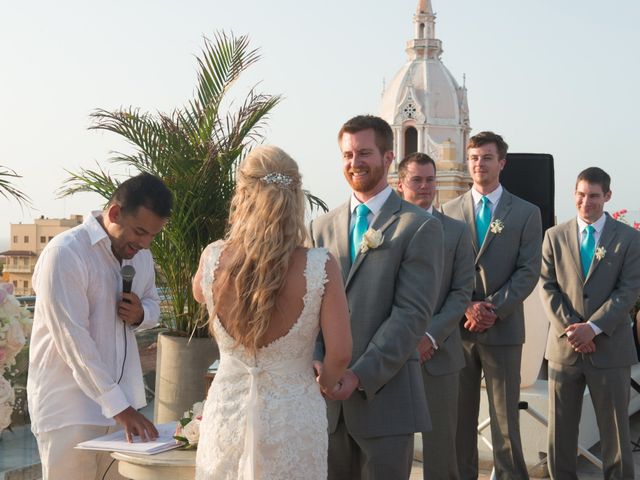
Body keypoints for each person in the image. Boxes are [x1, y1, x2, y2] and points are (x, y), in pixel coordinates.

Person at [193, 145, 352, 480]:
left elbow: (198, 294)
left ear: (242, 196)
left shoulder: (212, 259)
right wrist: (325, 382)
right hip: (293, 413)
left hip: (227, 412)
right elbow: (340, 352)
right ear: (296, 200)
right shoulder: (319, 265)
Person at [310, 115, 444, 479]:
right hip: (326, 408)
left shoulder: (419, 226)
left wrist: (358, 375)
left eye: (365, 153)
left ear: (388, 158)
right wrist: (319, 362)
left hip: (385, 400)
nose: (355, 163)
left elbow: (411, 316)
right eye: (348, 155)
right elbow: (309, 307)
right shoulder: (320, 227)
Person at [27, 173, 172, 480]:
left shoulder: (141, 256)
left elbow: (153, 305)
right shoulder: (65, 253)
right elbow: (73, 341)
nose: (144, 244)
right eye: (139, 231)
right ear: (115, 213)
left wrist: (140, 314)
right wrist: (121, 409)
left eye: (152, 236)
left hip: (122, 409)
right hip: (69, 411)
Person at [442, 131, 542, 479]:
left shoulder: (527, 213)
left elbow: (528, 271)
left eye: (486, 157)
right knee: (460, 422)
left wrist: (492, 309)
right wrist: (468, 307)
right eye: (473, 158)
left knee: (505, 423)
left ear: (502, 162)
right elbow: (444, 271)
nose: (479, 164)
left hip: (504, 330)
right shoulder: (448, 211)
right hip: (460, 331)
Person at [540, 167, 640, 480]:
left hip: (610, 349)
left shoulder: (629, 239)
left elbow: (629, 289)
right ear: (574, 194)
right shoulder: (554, 236)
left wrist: (592, 328)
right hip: (564, 350)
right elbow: (546, 285)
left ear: (607, 196)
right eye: (581, 194)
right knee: (560, 433)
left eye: (594, 196)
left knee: (615, 435)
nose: (586, 202)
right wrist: (573, 329)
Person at [397, 152, 474, 480]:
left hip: (440, 354)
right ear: (401, 184)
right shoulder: (384, 229)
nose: (426, 186)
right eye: (417, 180)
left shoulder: (457, 232)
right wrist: (402, 339)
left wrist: (430, 336)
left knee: (443, 447)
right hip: (393, 355)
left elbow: (461, 292)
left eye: (431, 179)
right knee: (393, 444)